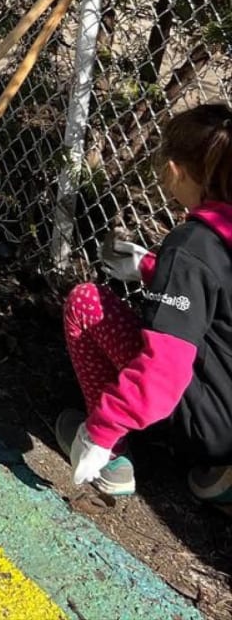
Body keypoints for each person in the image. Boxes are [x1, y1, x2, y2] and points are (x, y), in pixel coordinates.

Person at [56, 102, 232, 510]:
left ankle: (113, 459)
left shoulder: (191, 246)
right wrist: (151, 268)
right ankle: (220, 472)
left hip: (205, 424)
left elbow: (164, 369)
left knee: (86, 302)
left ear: (174, 170)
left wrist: (101, 430)